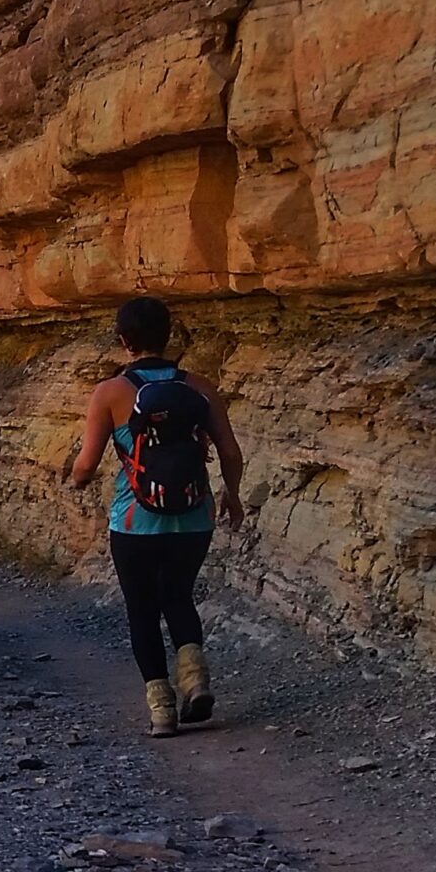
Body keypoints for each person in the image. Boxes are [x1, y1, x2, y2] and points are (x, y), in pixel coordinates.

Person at [66, 297, 246, 737]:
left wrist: (75, 480)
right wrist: (233, 496)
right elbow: (229, 452)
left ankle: (162, 709)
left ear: (124, 340)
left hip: (135, 521)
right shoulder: (200, 387)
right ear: (169, 336)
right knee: (179, 597)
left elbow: (87, 463)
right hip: (194, 515)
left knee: (142, 609)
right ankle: (195, 677)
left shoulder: (110, 392)